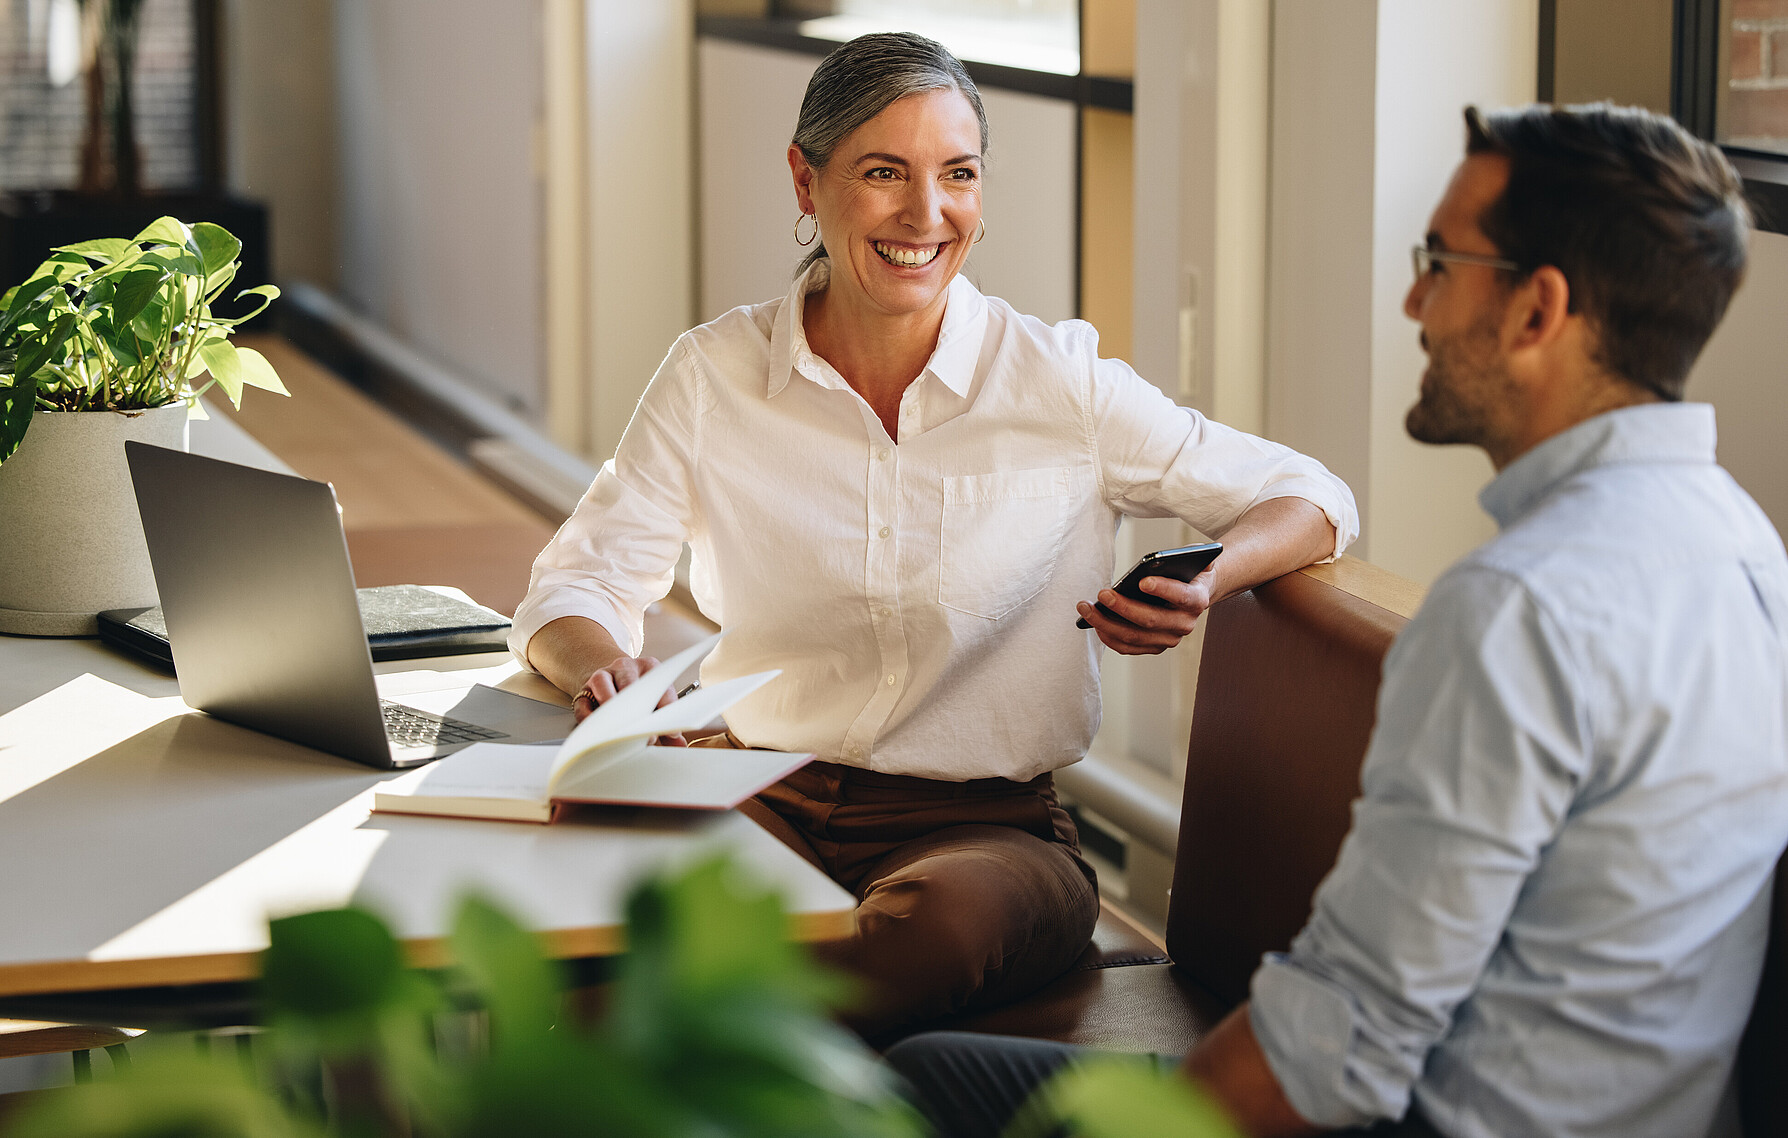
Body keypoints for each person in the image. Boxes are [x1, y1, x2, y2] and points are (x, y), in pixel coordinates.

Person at [887, 102, 1788, 1136]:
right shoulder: (1746, 546)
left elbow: (1335, 1051)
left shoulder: (1518, 611)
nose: (1413, 301)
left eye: (1440, 262)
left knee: (925, 1081)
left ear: (1537, 311)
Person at [509, 31, 1357, 1036]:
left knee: (936, 929)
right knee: (568, 878)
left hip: (985, 834)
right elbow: (576, 584)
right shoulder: (711, 377)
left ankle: (699, 1043)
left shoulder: (1060, 385)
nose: (926, 214)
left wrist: (1207, 579)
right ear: (805, 179)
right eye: (883, 173)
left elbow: (1312, 495)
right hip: (755, 788)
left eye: (958, 174)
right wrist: (601, 665)